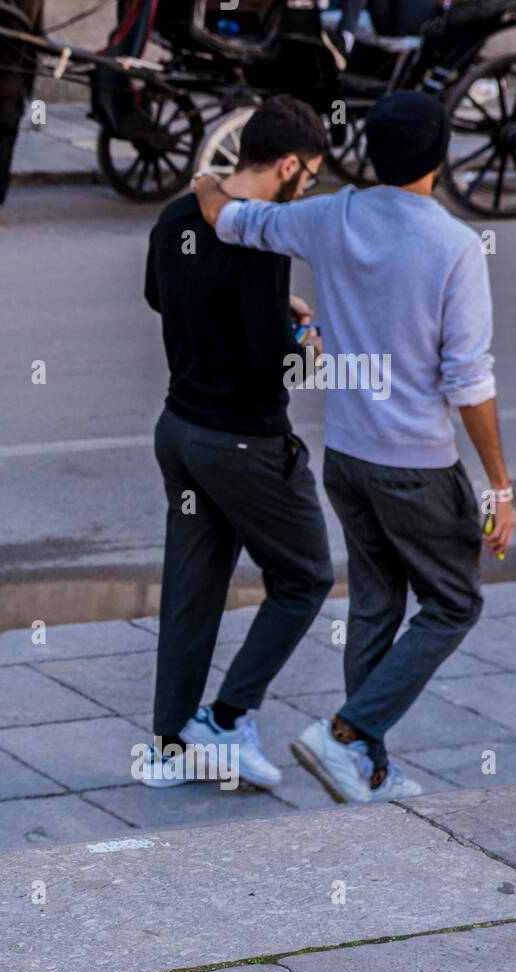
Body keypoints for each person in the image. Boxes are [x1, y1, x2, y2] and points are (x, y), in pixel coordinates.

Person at [193, 90, 514, 803]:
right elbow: (469, 379)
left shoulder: (328, 215)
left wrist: (201, 181)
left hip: (348, 456)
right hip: (418, 465)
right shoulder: (455, 246)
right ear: (440, 158)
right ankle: (345, 731)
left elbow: (229, 218)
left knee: (376, 603)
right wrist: (498, 483)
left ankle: (364, 761)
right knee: (455, 602)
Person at [139, 95, 335, 792]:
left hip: (180, 429)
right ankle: (225, 719)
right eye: (308, 173)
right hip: (244, 441)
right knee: (306, 574)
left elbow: (161, 295)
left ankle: (167, 747)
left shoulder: (176, 217)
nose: (309, 185)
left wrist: (265, 309)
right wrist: (302, 345)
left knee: (192, 589)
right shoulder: (262, 237)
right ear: (286, 165)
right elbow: (265, 363)